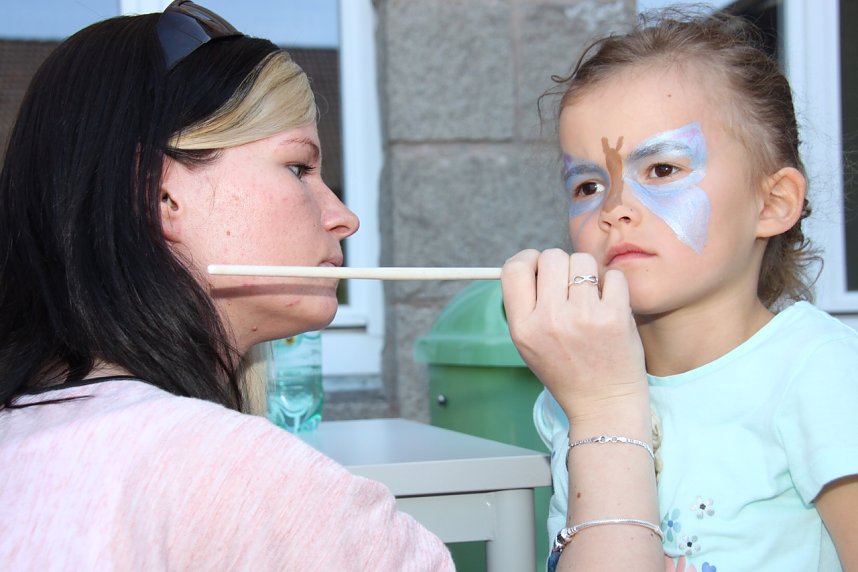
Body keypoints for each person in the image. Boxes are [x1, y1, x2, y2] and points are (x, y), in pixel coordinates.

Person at [0, 2, 453, 570]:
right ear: (160, 195)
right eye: (298, 167)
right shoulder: (235, 475)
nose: (344, 217)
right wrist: (597, 409)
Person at [500, 8, 858, 572]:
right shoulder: (573, 387)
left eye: (663, 170)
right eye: (588, 184)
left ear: (772, 203)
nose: (614, 209)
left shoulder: (818, 374)